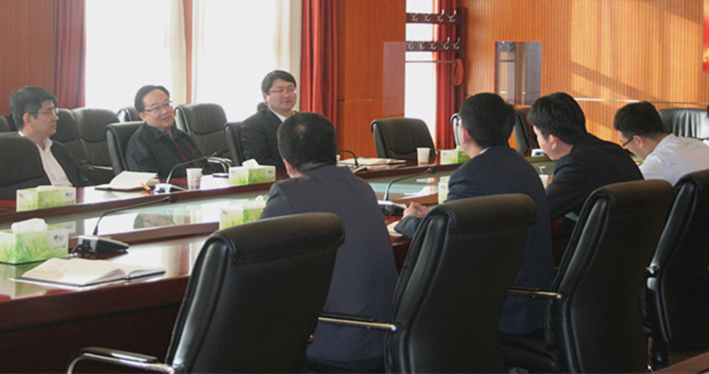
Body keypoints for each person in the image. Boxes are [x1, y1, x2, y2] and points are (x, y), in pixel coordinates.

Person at [395, 92, 554, 335]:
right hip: (533, 301)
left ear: (464, 133)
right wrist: (437, 216)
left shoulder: (469, 176)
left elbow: (441, 238)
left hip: (500, 308)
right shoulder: (523, 167)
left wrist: (407, 221)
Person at [259, 112, 397, 372]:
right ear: (334, 152)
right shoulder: (361, 187)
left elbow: (252, 259)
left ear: (287, 164)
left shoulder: (288, 193)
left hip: (335, 347)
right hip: (385, 341)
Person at [529, 92, 643, 224]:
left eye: (537, 135)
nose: (538, 141)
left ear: (552, 140)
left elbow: (539, 214)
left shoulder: (575, 166)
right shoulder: (613, 150)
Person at [126, 85, 214, 178]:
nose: (165, 111)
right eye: (156, 108)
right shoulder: (139, 144)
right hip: (175, 187)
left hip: (203, 184)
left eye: (167, 104)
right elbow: (149, 181)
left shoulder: (183, 136)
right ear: (143, 116)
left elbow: (206, 166)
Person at [8, 86, 88, 188]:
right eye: (48, 112)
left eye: (54, 111)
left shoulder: (59, 149)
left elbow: (83, 184)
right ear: (29, 119)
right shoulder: (13, 154)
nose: (56, 117)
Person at [614, 101, 709, 185]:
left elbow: (623, 193)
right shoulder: (698, 145)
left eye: (625, 144)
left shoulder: (658, 163)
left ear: (638, 140)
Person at [240, 70, 297, 168]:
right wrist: (298, 167)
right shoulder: (253, 125)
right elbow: (260, 162)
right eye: (279, 90)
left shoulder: (306, 121)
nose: (286, 95)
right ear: (265, 96)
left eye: (291, 90)